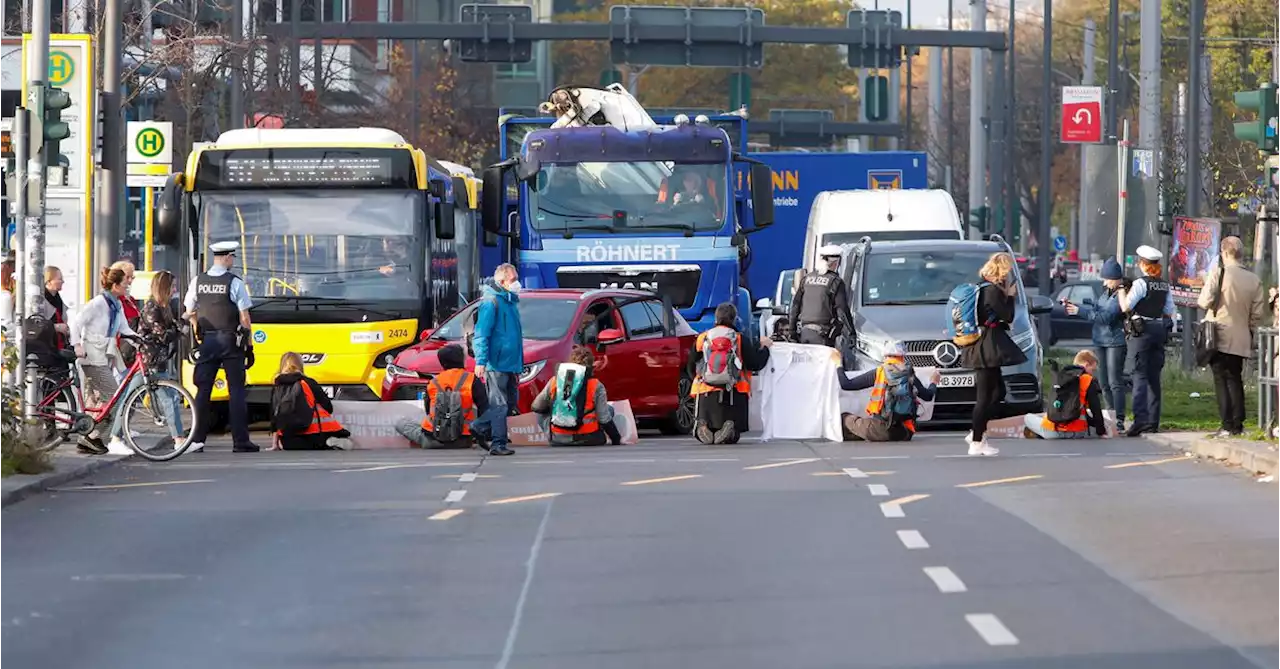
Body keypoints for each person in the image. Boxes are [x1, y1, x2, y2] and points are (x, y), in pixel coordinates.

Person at [183, 241, 260, 453]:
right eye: (232, 257)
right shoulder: (234, 282)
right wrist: (249, 346)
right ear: (226, 257)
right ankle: (241, 442)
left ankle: (196, 440)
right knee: (236, 390)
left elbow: (190, 311)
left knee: (203, 391)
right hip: (230, 342)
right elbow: (245, 317)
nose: (232, 261)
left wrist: (198, 330)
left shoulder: (198, 281)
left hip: (208, 342)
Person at [1198, 236, 1265, 438]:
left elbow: (1204, 301)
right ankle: (1238, 424)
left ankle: (1226, 424)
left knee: (1220, 379)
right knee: (1235, 379)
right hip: (1241, 336)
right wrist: (1248, 328)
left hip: (1217, 335)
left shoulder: (1218, 273)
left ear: (1224, 253)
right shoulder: (1254, 280)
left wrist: (1205, 282)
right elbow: (1258, 314)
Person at [960, 252, 1027, 456]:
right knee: (986, 396)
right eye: (1007, 272)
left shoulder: (981, 288)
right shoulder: (992, 291)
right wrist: (1011, 296)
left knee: (997, 393)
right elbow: (1008, 316)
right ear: (1002, 271)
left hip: (984, 345)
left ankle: (976, 433)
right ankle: (977, 440)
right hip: (986, 347)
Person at [69, 267, 140, 455]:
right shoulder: (98, 303)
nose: (128, 285)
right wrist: (77, 345)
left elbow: (124, 329)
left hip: (104, 356)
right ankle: (91, 436)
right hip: (91, 356)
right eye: (125, 283)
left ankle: (90, 438)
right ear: (115, 285)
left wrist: (139, 339)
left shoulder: (116, 304)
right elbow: (76, 323)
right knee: (113, 398)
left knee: (101, 401)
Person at [690, 302, 772, 444]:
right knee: (733, 436)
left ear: (716, 318)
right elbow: (755, 363)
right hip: (733, 395)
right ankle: (728, 428)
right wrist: (765, 348)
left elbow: (691, 365)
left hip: (705, 394)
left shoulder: (702, 338)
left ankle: (703, 424)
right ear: (734, 319)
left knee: (703, 426)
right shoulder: (739, 339)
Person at [1118, 245, 1175, 436]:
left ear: (1143, 265)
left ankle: (1139, 421)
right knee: (1154, 378)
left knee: (1139, 376)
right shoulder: (1164, 285)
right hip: (1159, 331)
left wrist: (1120, 291)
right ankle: (1152, 422)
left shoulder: (1141, 284)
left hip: (1142, 332)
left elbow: (1126, 306)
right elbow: (1169, 310)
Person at [1066, 257, 1128, 432]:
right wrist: (1079, 306)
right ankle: (1110, 413)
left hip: (1115, 342)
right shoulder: (1106, 293)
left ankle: (1120, 418)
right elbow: (1098, 309)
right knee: (1104, 381)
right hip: (1100, 340)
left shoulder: (1119, 295)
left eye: (1107, 278)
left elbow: (1105, 317)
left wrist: (1081, 312)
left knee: (1115, 381)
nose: (1104, 281)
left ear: (1116, 278)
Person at [835, 341, 939, 442]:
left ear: (885, 356)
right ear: (902, 356)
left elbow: (846, 384)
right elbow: (928, 396)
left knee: (844, 418)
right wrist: (933, 382)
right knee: (864, 428)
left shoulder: (880, 372)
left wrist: (838, 364)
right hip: (905, 433)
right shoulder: (909, 374)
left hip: (881, 428)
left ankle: (870, 435)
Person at [469, 264, 522, 457]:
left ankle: (479, 426)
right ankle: (498, 443)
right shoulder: (491, 303)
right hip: (496, 362)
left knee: (510, 403)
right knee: (500, 404)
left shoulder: (509, 301)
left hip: (509, 362)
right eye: (513, 279)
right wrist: (481, 361)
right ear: (502, 282)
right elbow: (481, 334)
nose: (517, 283)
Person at [395, 344, 489, 449]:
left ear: (442, 362)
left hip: (431, 439)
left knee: (402, 423)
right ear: (462, 359)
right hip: (463, 440)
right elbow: (484, 408)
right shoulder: (472, 379)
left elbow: (428, 411)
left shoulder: (433, 382)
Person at [531, 346, 623, 446]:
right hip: (590, 439)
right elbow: (604, 418)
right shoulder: (596, 385)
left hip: (559, 439)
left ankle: (553, 435)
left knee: (540, 413)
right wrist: (616, 439)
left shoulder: (555, 380)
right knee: (609, 409)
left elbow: (536, 407)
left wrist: (557, 409)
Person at [137, 270, 187, 451]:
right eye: (172, 286)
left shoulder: (163, 307)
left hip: (157, 360)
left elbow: (172, 329)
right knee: (169, 399)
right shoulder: (152, 308)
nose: (174, 290)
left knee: (127, 398)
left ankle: (115, 435)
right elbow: (163, 335)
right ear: (163, 288)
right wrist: (182, 325)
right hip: (150, 361)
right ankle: (179, 439)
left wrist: (179, 325)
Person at [270, 352, 349, 450]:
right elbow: (328, 407)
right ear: (300, 365)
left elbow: (274, 416)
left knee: (294, 445)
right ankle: (329, 442)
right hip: (315, 435)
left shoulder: (278, 386)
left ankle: (327, 443)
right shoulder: (308, 382)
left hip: (289, 440)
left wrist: (275, 444)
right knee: (320, 443)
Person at [1023, 350, 1108, 439]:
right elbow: (1096, 409)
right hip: (1078, 432)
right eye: (1092, 369)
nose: (1092, 373)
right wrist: (1101, 432)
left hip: (1052, 431)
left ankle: (1038, 433)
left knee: (1028, 417)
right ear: (1086, 365)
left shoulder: (1060, 377)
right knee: (1101, 425)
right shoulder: (1088, 380)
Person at [787, 244, 855, 348]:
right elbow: (842, 310)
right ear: (836, 262)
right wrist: (851, 333)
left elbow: (795, 306)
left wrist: (792, 332)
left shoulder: (806, 279)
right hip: (823, 336)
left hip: (804, 334)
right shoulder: (835, 281)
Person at [26, 266, 73, 375]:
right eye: (59, 278)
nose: (63, 281)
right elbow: (34, 324)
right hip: (45, 350)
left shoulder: (57, 299)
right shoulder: (40, 301)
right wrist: (55, 327)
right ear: (49, 281)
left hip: (58, 347)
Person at [110, 260, 142, 374]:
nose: (130, 281)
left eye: (132, 278)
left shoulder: (130, 300)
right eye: (127, 277)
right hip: (119, 355)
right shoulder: (113, 301)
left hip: (130, 353)